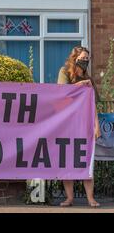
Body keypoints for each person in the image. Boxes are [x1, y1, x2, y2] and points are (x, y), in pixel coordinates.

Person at [57, 46, 101, 208]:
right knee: (66, 160)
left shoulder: (89, 78)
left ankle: (91, 198)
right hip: (67, 122)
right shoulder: (65, 72)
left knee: (86, 160)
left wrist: (96, 125)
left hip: (84, 123)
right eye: (82, 58)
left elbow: (93, 103)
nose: (85, 61)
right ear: (74, 58)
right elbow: (60, 92)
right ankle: (69, 198)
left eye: (87, 59)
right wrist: (80, 85)